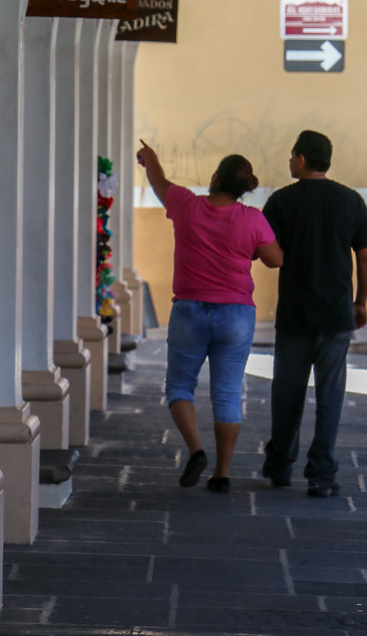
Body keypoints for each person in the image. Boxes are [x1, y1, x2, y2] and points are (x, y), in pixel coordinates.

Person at [136, 139, 282, 492]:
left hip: (189, 311)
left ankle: (196, 449)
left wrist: (151, 158)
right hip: (236, 315)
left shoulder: (186, 205)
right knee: (228, 394)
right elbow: (276, 259)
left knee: (179, 387)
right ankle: (223, 473)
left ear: (215, 178)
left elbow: (159, 183)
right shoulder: (252, 219)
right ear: (245, 188)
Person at [261, 129, 367, 497]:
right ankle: (322, 474)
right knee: (330, 396)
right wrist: (361, 302)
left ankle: (280, 465)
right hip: (335, 316)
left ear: (299, 159)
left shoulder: (280, 202)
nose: (289, 161)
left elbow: (267, 253)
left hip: (295, 315)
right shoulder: (350, 201)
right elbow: (365, 257)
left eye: (291, 156)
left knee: (287, 393)